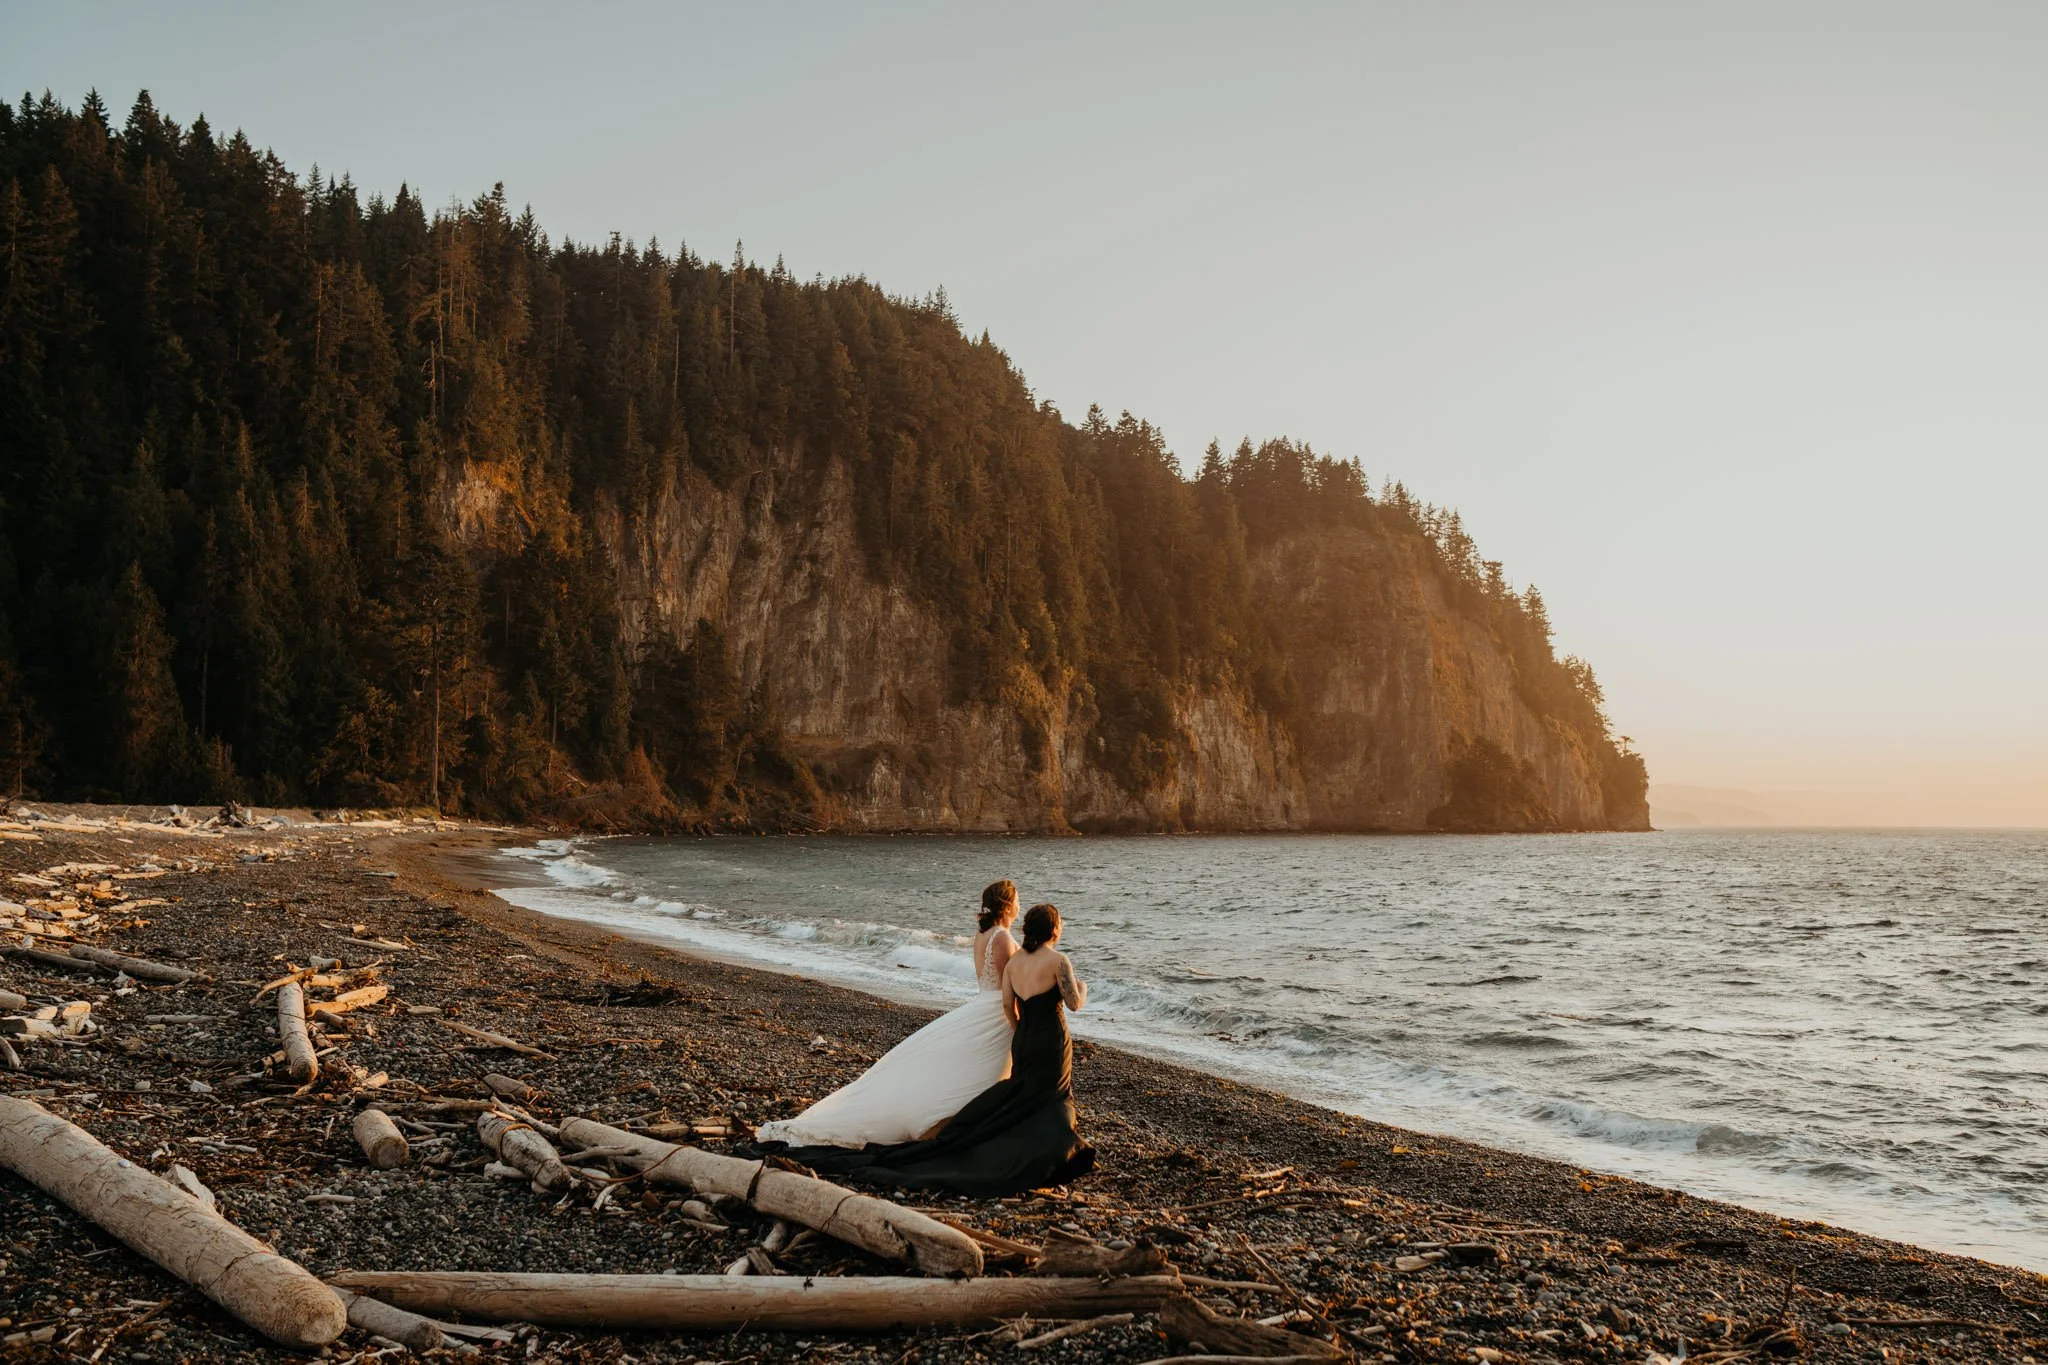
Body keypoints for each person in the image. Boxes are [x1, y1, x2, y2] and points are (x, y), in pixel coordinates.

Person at [765, 902, 1096, 1197]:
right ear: (1054, 928)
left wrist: (1020, 1031)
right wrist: (1082, 986)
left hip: (1023, 1035)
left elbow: (1009, 1006)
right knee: (1049, 1094)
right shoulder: (1058, 960)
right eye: (1061, 922)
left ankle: (1019, 1144)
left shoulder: (1015, 964)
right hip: (1050, 1037)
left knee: (1022, 1091)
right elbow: (1074, 1003)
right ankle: (1050, 1151)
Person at [753, 880, 1021, 1147]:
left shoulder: (983, 934)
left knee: (973, 1069)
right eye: (1018, 900)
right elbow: (1007, 985)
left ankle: (965, 1121)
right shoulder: (1002, 938)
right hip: (996, 1012)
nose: (1020, 905)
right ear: (1008, 905)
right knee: (984, 1072)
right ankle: (957, 1124)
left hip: (982, 1005)